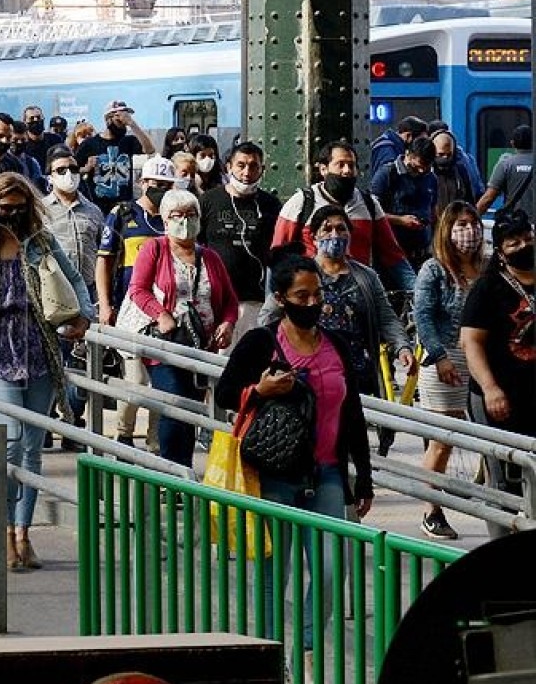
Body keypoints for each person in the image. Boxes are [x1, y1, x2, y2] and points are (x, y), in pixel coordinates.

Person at [217, 250, 373, 671]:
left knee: (327, 569)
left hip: (328, 474)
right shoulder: (262, 342)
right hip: (275, 474)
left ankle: (303, 650)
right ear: (281, 298)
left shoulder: (336, 344)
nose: (311, 303)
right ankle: (271, 663)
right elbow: (225, 393)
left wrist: (363, 475)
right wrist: (260, 391)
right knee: (274, 577)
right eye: (300, 295)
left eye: (317, 294)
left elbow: (352, 413)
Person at [0, 172, 93, 569]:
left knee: (31, 449)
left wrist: (86, 316)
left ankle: (23, 533)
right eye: (4, 208)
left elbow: (76, 280)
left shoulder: (42, 244)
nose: (12, 215)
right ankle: (5, 530)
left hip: (40, 355)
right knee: (9, 443)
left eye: (19, 208)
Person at [116, 188, 239, 467]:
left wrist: (228, 323)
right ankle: (170, 472)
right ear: (165, 219)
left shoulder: (210, 257)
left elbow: (230, 300)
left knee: (191, 413)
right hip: (166, 347)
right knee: (174, 407)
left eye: (191, 214)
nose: (185, 221)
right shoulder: (155, 249)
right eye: (177, 215)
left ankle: (181, 471)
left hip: (200, 348)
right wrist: (160, 314)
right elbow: (138, 290)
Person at [259, 206, 414, 421]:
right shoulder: (300, 274)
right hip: (308, 371)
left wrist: (402, 347)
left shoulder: (366, 276)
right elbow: (268, 317)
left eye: (341, 229)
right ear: (313, 237)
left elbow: (386, 317)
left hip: (356, 373)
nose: (335, 235)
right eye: (327, 229)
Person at [411, 201, 486, 540]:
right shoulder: (434, 270)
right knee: (442, 441)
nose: (468, 231)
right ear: (446, 230)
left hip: (480, 361)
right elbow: (423, 316)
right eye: (460, 225)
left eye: (472, 223)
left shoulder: (487, 268)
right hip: (445, 361)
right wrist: (439, 356)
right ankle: (431, 510)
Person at [460, 209, 536, 511]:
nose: (523, 246)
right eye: (513, 242)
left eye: (527, 238)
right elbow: (471, 342)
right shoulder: (489, 287)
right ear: (501, 251)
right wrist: (490, 388)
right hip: (498, 397)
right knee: (504, 480)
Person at [96, 156, 175, 447]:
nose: (161, 190)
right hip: (129, 311)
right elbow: (103, 262)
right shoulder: (123, 214)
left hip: (166, 312)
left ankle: (156, 441)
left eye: (167, 185)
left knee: (161, 382)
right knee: (136, 382)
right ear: (143, 183)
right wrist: (105, 305)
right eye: (156, 184)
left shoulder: (173, 217)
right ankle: (123, 434)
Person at [271, 140, 415, 291]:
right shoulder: (301, 202)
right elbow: (278, 256)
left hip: (358, 290)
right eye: (340, 164)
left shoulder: (369, 204)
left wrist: (417, 290)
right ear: (323, 169)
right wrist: (274, 301)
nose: (346, 171)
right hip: (313, 292)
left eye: (351, 165)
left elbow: (392, 254)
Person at [42, 146, 103, 434]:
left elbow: (106, 257)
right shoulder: (41, 211)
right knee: (50, 360)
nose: (69, 175)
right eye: (61, 170)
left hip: (86, 294)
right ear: (50, 176)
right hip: (52, 297)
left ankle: (71, 421)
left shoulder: (93, 211)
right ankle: (44, 420)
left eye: (73, 169)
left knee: (80, 362)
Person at [198, 141, 282, 339]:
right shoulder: (208, 201)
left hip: (256, 302)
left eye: (254, 166)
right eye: (241, 165)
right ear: (229, 167)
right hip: (216, 300)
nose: (247, 172)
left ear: (262, 169)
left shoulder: (271, 204)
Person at [371, 135, 439, 268]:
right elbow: (372, 212)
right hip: (392, 251)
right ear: (408, 154)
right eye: (418, 166)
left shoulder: (431, 178)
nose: (421, 171)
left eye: (426, 166)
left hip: (422, 250)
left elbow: (433, 210)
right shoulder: (386, 174)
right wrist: (400, 220)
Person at [76, 100, 154, 214]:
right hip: (98, 207)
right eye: (119, 120)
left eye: (125, 120)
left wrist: (132, 124)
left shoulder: (129, 141)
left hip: (124, 207)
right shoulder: (90, 144)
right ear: (108, 119)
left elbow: (150, 149)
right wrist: (86, 168)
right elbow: (73, 170)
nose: (123, 125)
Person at [478, 124, 535, 219]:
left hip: (514, 224)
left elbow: (488, 198)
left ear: (512, 143)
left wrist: (473, 216)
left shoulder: (505, 164)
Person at [429, 130, 482, 217]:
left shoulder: (461, 171)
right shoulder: (425, 172)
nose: (445, 158)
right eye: (441, 154)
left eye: (449, 154)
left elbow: (469, 201)